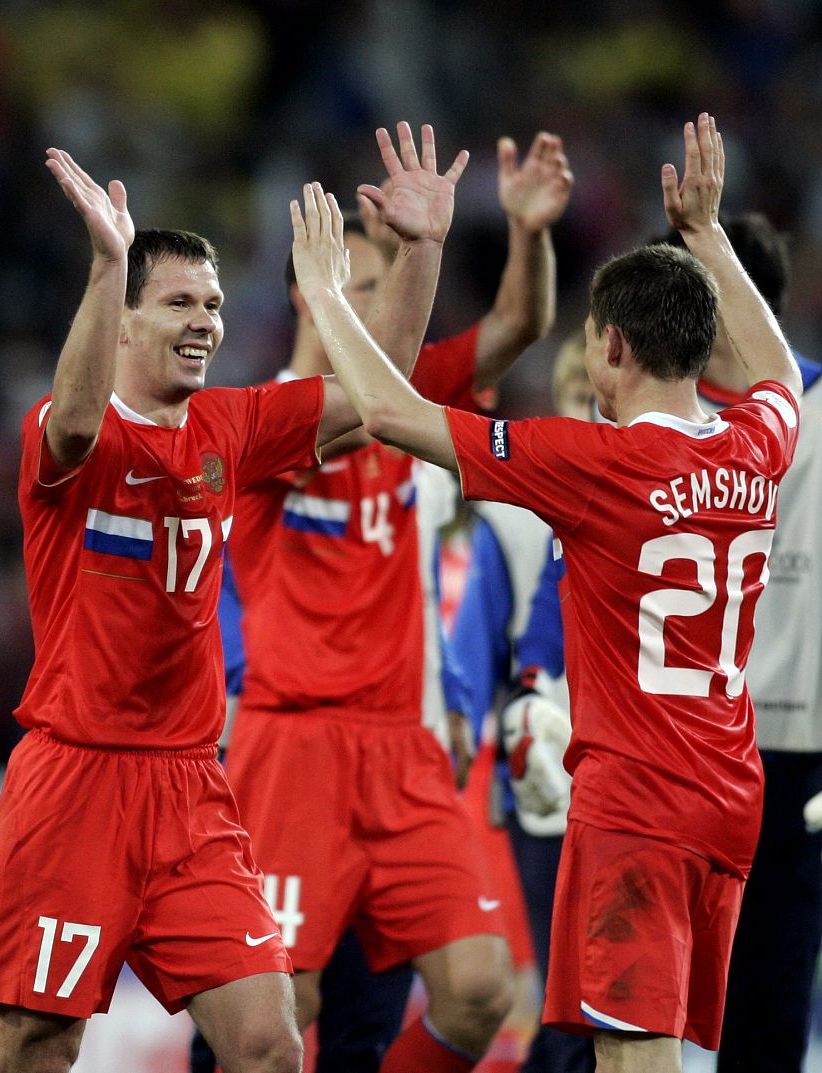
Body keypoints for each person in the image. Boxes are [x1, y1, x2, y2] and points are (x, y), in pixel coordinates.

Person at [290, 112, 800, 1073]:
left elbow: (392, 413)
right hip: (732, 796)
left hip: (640, 804)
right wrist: (708, 233)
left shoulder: (595, 461)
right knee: (649, 1051)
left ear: (610, 348)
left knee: (634, 1056)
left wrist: (327, 293)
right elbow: (775, 368)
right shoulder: (755, 446)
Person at [0, 128, 464, 1073]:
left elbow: (376, 386)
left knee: (271, 1046)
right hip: (76, 783)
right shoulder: (68, 433)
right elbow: (73, 420)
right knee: (38, 1042)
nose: (206, 321)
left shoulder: (230, 427)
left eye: (215, 304)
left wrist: (423, 249)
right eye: (178, 303)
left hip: (193, 789)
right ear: (120, 319)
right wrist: (107, 262)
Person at [219, 127, 570, 1073]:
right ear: (311, 289)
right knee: (275, 1014)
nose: (373, 314)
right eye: (354, 291)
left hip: (404, 749)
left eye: (374, 291)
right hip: (293, 744)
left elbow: (518, 327)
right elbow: (367, 398)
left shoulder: (401, 395)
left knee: (481, 989)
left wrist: (508, 237)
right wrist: (418, 252)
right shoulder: (262, 421)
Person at [648, 215, 822, 1073]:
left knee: (767, 1005)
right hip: (666, 758)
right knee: (634, 1011)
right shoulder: (644, 429)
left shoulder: (810, 418)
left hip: (791, 760)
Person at [445, 332, 596, 1073]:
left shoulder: (640, 492)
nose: (584, 423)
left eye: (592, 406)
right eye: (571, 404)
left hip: (626, 777)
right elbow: (482, 649)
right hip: (540, 779)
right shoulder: (512, 519)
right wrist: (491, 721)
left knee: (599, 1007)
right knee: (570, 1005)